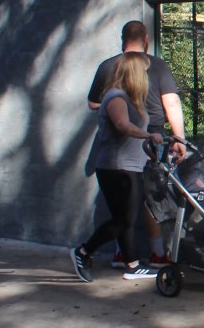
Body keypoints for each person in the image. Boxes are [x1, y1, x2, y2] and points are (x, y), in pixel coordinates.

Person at [87, 20, 185, 264]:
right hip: (146, 139)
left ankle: (125, 253)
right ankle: (154, 252)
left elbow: (92, 102)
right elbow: (171, 102)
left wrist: (109, 109)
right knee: (150, 197)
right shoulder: (156, 65)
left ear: (123, 40)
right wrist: (178, 138)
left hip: (137, 140)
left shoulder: (108, 66)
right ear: (146, 40)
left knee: (126, 202)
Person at [72, 52, 164, 282]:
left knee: (124, 218)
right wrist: (149, 135)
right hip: (116, 168)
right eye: (143, 71)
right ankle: (83, 251)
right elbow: (123, 125)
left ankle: (132, 264)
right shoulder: (116, 97)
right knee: (124, 219)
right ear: (134, 73)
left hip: (130, 166)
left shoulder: (131, 98)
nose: (146, 76)